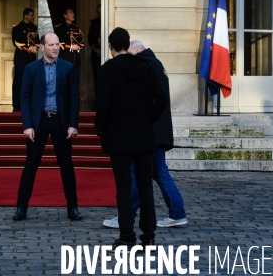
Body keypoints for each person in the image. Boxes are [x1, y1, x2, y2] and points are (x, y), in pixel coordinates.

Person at [103, 40, 188, 230]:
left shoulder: (147, 65)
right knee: (158, 173)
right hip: (158, 130)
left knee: (140, 175)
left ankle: (126, 216)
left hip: (152, 131)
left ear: (140, 50)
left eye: (131, 54)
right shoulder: (155, 64)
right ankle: (177, 213)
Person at [94, 28, 167, 248]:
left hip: (119, 137)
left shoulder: (107, 70)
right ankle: (149, 236)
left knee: (124, 188)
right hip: (144, 135)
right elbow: (162, 97)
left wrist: (102, 127)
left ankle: (127, 237)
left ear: (110, 46)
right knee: (145, 187)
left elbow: (103, 105)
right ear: (127, 44)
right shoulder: (147, 67)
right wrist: (149, 118)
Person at [13, 32, 83, 222]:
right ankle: (21, 207)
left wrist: (72, 124)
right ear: (42, 47)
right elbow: (25, 98)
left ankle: (73, 208)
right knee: (31, 165)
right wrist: (27, 125)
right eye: (51, 45)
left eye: (57, 44)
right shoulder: (31, 68)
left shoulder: (68, 68)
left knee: (66, 165)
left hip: (61, 122)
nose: (55, 48)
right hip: (39, 122)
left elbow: (74, 98)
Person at [12, 8, 39, 111]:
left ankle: (31, 101)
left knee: (31, 80)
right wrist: (28, 48)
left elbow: (37, 40)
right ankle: (17, 104)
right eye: (31, 15)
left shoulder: (34, 27)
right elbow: (16, 42)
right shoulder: (17, 27)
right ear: (26, 16)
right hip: (21, 58)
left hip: (31, 58)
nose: (33, 17)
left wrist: (35, 47)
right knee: (19, 80)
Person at [54, 9, 84, 83]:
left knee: (75, 83)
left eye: (73, 12)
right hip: (65, 59)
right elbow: (57, 43)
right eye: (70, 12)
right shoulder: (59, 28)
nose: (73, 14)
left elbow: (82, 42)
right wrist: (70, 46)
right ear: (65, 16)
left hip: (76, 60)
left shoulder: (76, 28)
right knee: (64, 84)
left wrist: (79, 47)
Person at [87, 4, 102, 98]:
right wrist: (96, 49)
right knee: (97, 79)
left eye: (101, 12)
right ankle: (97, 101)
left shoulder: (111, 20)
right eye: (98, 13)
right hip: (97, 55)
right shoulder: (95, 22)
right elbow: (90, 38)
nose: (100, 14)